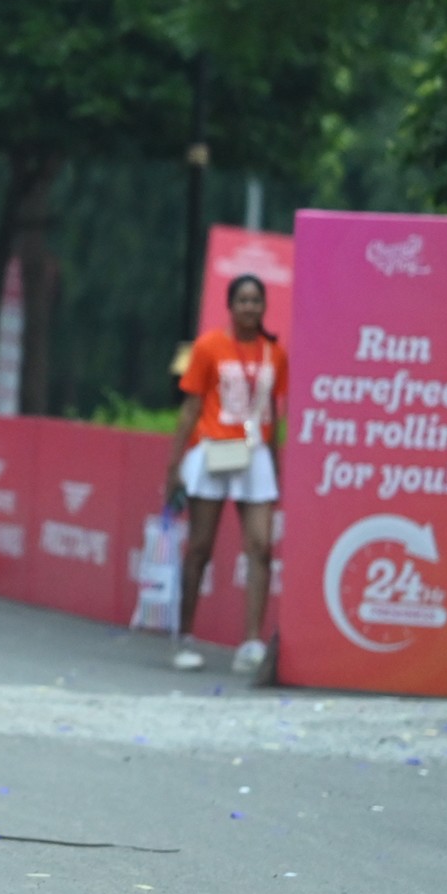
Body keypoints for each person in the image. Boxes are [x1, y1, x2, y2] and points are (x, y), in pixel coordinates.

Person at [165, 273, 287, 679]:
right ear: (230, 306)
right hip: (214, 450)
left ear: (264, 306)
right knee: (200, 548)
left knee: (261, 547)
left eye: (256, 300)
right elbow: (190, 408)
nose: (250, 307)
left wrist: (276, 465)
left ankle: (250, 643)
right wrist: (175, 466)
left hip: (255, 455)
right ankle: (184, 636)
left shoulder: (275, 353)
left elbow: (274, 413)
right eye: (243, 300)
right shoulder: (208, 346)